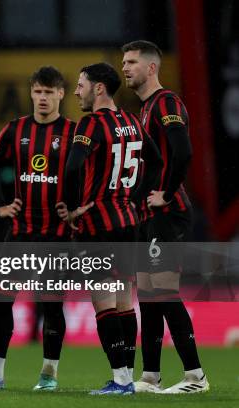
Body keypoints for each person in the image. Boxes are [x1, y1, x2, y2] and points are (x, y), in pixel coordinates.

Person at [0, 66, 74, 392]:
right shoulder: (16, 129)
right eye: (37, 91)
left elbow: (88, 172)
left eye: (48, 92)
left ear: (61, 95)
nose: (42, 98)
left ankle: (49, 375)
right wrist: (0, 205)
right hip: (21, 230)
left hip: (56, 234)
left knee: (52, 305)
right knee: (0, 301)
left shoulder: (74, 132)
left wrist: (76, 206)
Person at [57, 62, 163, 395]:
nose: (77, 92)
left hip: (98, 224)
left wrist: (73, 208)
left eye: (80, 84)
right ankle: (127, 376)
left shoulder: (90, 124)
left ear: (98, 88)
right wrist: (134, 195)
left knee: (104, 303)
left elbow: (73, 165)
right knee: (124, 302)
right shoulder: (132, 121)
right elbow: (157, 161)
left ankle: (119, 380)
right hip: (129, 222)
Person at [121, 40, 209, 394]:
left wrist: (167, 192)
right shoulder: (145, 109)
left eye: (131, 62)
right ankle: (151, 376)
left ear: (151, 67)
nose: (125, 68)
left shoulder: (167, 102)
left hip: (168, 212)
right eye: (123, 62)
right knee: (148, 294)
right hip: (150, 214)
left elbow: (184, 150)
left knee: (164, 291)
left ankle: (196, 377)